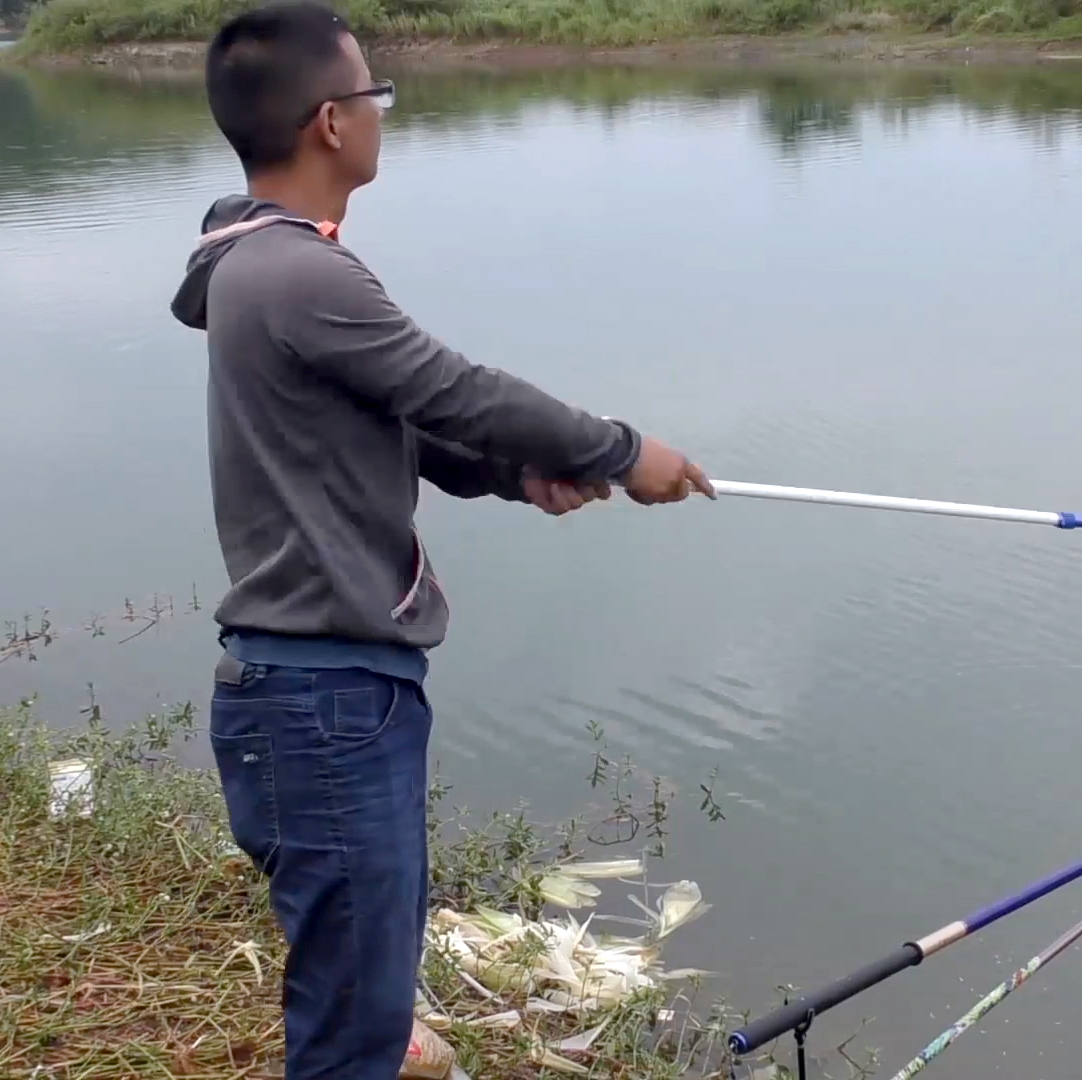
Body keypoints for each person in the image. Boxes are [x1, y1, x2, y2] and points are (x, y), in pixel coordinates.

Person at [167, 4, 715, 1077]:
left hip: (326, 691)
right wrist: (618, 449)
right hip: (324, 700)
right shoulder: (300, 275)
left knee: (364, 981)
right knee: (351, 1033)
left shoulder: (262, 261)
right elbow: (453, 387)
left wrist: (517, 476)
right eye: (375, 95)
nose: (382, 113)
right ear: (331, 122)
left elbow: (401, 426)